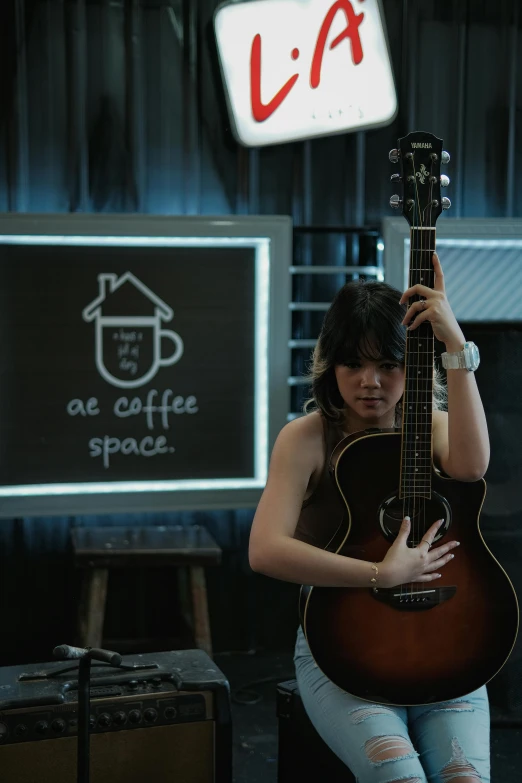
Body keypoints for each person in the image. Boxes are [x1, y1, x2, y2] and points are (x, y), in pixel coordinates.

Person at [249, 253, 490, 783]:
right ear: (329, 366)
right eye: (352, 364)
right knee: (398, 777)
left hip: (447, 643)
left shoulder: (431, 424)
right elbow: (265, 549)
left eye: (388, 365)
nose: (369, 382)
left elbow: (473, 467)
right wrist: (380, 574)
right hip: (343, 652)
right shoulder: (305, 437)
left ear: (413, 367)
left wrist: (455, 344)